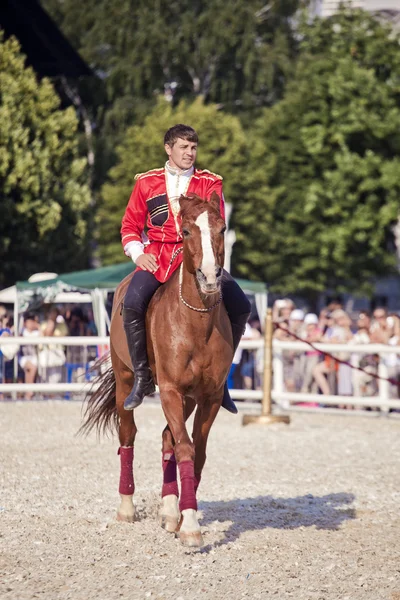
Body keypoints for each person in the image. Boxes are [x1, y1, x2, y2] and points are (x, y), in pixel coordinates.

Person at [120, 124, 251, 412]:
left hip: (197, 257)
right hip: (156, 257)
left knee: (241, 306)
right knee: (131, 304)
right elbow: (130, 226)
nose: (189, 153)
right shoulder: (146, 182)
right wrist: (138, 254)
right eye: (183, 147)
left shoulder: (210, 182)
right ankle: (142, 377)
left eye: (193, 148)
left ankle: (221, 380)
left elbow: (216, 223)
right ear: (168, 149)